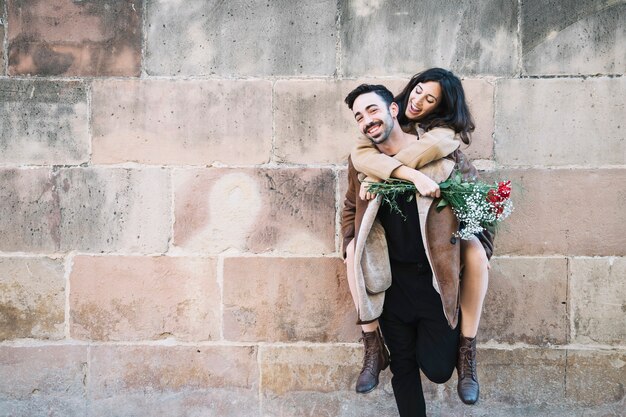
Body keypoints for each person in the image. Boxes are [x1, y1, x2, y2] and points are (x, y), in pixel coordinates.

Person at [342, 84, 493, 416]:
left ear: (393, 110)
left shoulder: (443, 154)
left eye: (372, 110)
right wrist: (351, 247)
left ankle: (465, 352)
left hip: (434, 282)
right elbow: (350, 211)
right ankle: (373, 348)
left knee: (438, 369)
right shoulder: (362, 163)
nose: (367, 121)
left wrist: (475, 253)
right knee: (403, 367)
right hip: (390, 282)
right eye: (359, 117)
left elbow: (480, 209)